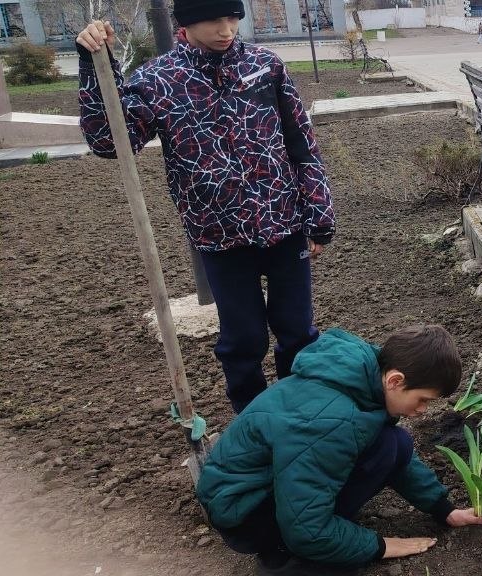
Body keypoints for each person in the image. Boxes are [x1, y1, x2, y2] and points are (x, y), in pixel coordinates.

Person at [76, 0, 335, 413]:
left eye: (233, 17)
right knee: (243, 339)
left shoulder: (265, 67)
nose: (226, 28)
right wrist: (96, 66)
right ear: (187, 21)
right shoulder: (159, 80)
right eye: (214, 19)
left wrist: (318, 217)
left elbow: (301, 142)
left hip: (284, 224)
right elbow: (111, 142)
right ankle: (254, 419)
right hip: (219, 235)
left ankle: (303, 412)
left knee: (297, 331)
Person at [197, 325, 482, 575]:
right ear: (395, 380)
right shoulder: (334, 422)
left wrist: (445, 509)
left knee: (394, 443)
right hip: (245, 514)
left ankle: (312, 535)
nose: (423, 411)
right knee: (385, 447)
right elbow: (306, 529)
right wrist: (381, 545)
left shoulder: (363, 376)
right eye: (423, 400)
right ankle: (282, 555)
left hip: (257, 488)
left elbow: (395, 452)